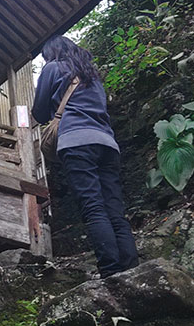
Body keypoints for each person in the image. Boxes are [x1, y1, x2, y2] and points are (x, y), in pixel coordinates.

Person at [32, 35, 139, 277]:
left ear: (52, 52)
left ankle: (111, 271)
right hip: (107, 143)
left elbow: (39, 111)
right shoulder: (92, 75)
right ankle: (131, 269)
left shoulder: (53, 68)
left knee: (93, 207)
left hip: (76, 142)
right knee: (114, 207)